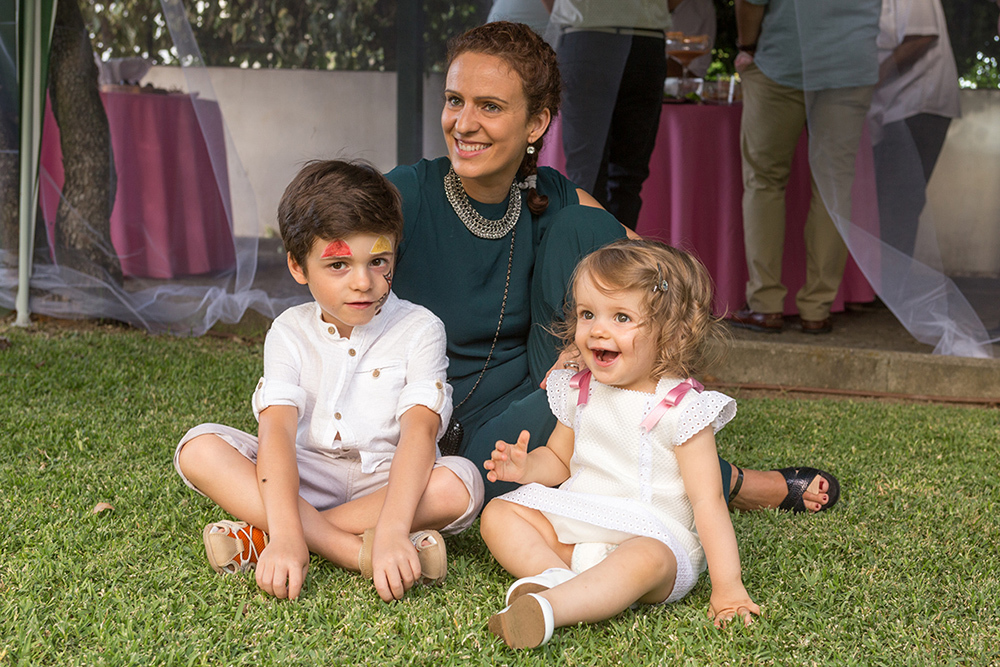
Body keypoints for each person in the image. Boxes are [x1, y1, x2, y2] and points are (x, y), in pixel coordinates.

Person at [387, 21, 838, 512]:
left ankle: (672, 453)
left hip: (538, 399)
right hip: (424, 419)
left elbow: (670, 278)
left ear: (536, 124)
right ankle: (727, 481)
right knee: (478, 471)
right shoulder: (406, 194)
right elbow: (333, 251)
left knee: (581, 229)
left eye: (490, 106)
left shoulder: (552, 197)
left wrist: (593, 356)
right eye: (455, 100)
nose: (464, 123)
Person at [174, 160, 484, 603]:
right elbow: (277, 432)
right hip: (306, 474)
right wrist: (293, 532)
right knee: (198, 448)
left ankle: (268, 534)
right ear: (298, 267)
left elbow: (420, 432)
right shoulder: (287, 330)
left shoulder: (421, 328)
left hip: (388, 480)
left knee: (461, 482)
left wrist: (393, 526)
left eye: (378, 261)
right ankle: (353, 550)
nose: (363, 282)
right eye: (338, 264)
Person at [480, 240, 760, 649]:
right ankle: (553, 577)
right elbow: (559, 459)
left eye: (622, 317)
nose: (597, 329)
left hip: (654, 537)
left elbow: (707, 503)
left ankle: (551, 609)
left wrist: (728, 588)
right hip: (582, 524)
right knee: (500, 512)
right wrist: (525, 469)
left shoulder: (681, 407)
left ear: (671, 334)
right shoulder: (580, 389)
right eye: (587, 314)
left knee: (646, 558)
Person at [728, 0, 881, 335]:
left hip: (783, 60)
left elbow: (749, 3)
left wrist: (748, 47)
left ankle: (765, 304)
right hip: (851, 63)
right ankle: (817, 308)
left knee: (764, 181)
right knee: (834, 187)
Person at [547, 0, 675, 230]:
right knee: (627, 177)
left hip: (586, 33)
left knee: (586, 174)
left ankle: (591, 260)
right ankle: (619, 262)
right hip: (644, 37)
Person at [868, 0, 960, 285]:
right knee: (887, 200)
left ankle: (889, 287)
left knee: (899, 202)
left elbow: (922, 35)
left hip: (920, 103)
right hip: (893, 106)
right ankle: (880, 284)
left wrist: (873, 77)